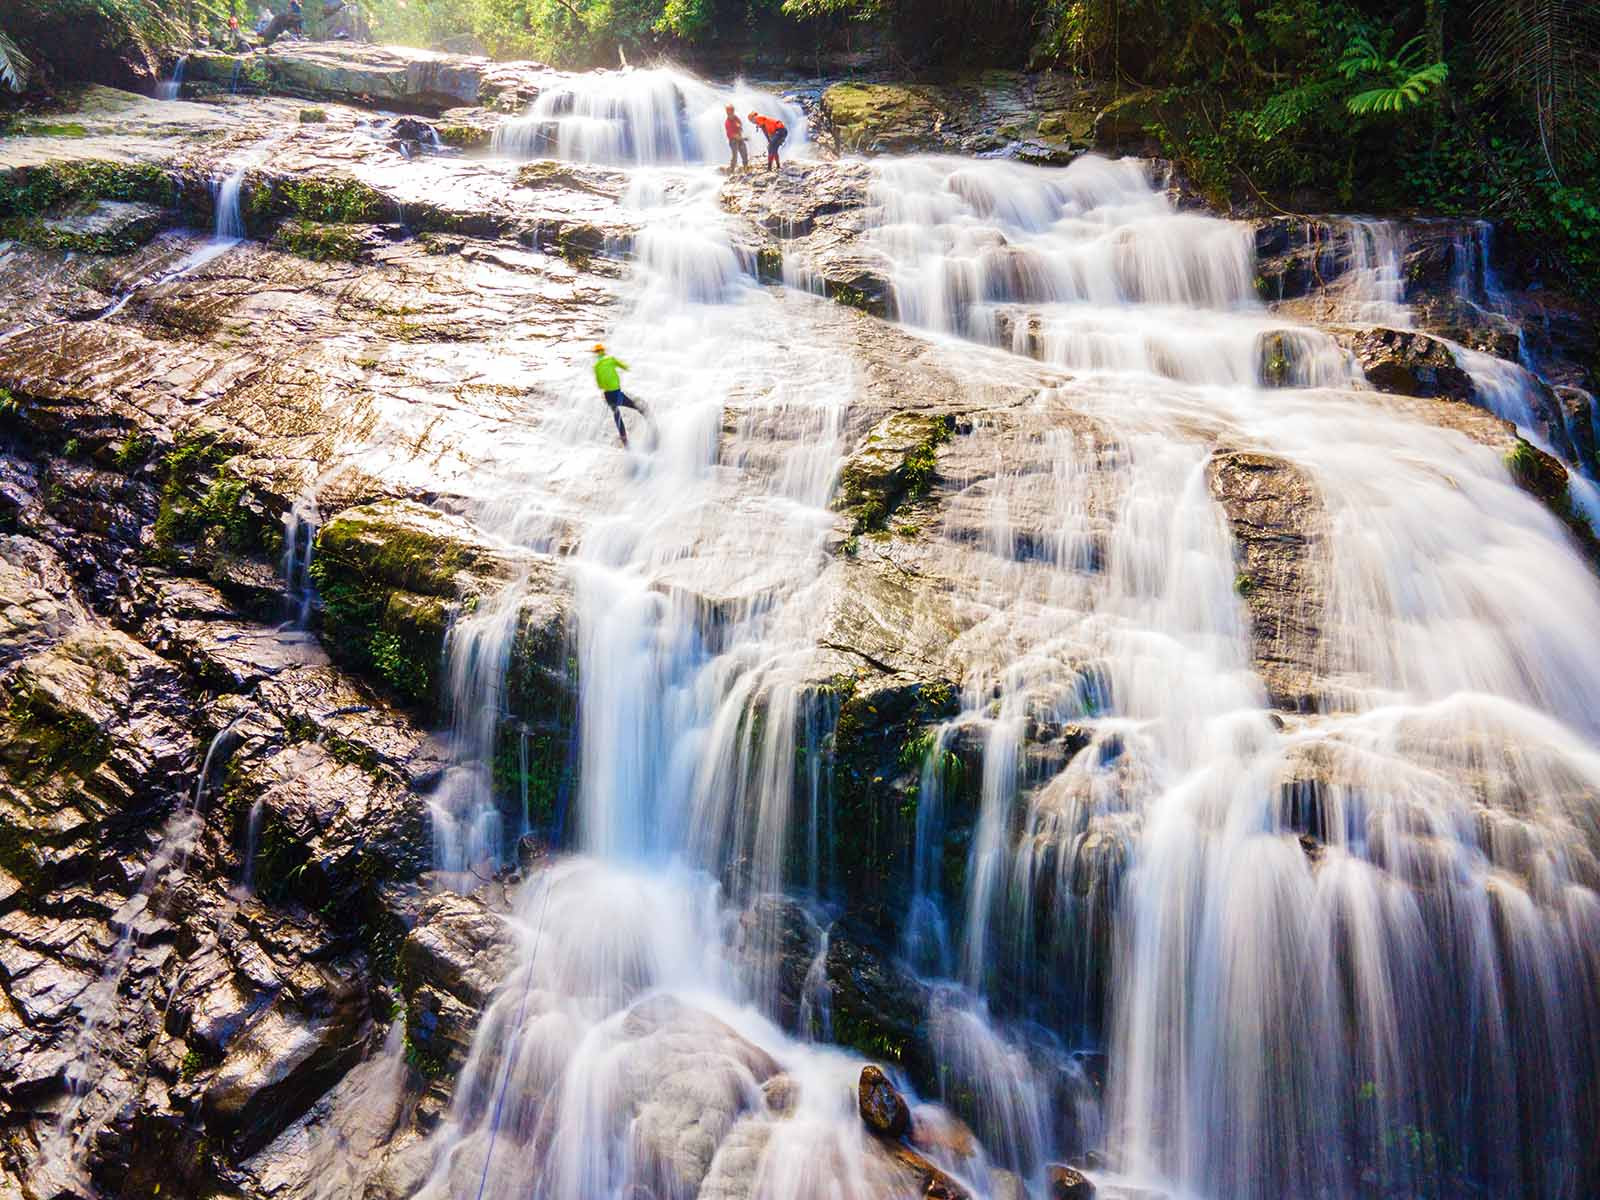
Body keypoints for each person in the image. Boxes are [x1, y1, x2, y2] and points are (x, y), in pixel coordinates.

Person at [592, 344, 653, 448]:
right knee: (634, 405)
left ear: (596, 353)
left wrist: (606, 384)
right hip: (616, 392)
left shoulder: (596, 366)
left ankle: (624, 439)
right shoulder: (610, 359)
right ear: (603, 351)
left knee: (616, 414)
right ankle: (650, 420)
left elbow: (599, 384)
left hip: (607, 395)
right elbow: (624, 366)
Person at [724, 104, 749, 174]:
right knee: (735, 156)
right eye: (730, 112)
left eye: (732, 111)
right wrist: (743, 138)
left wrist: (740, 126)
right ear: (727, 113)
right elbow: (733, 135)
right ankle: (732, 171)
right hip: (733, 141)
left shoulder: (735, 117)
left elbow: (739, 123)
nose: (731, 113)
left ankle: (746, 169)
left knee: (744, 153)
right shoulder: (727, 123)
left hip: (739, 138)